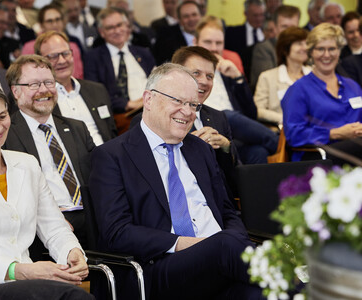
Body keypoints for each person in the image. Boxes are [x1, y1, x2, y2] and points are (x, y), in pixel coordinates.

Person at [89, 62, 263, 300]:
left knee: (258, 293)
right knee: (228, 247)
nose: (188, 111)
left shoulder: (200, 149)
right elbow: (116, 232)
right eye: (178, 101)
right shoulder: (112, 156)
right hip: (160, 266)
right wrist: (187, 244)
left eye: (193, 104)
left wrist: (233, 240)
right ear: (148, 99)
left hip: (223, 261)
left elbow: (227, 211)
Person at [0, 80, 93, 300]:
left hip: (29, 283)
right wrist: (20, 270)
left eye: (2, 117)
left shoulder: (27, 164)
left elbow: (54, 227)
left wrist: (72, 253)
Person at [4, 55, 95, 249]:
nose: (44, 90)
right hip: (42, 225)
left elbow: (99, 178)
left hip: (91, 216)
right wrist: (51, 221)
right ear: (16, 91)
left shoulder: (78, 128)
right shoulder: (5, 135)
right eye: (34, 85)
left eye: (48, 82)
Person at [194, 16, 279, 164]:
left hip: (233, 134)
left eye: (219, 43)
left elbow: (251, 113)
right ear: (195, 43)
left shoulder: (226, 70)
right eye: (208, 42)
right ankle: (284, 145)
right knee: (226, 115)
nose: (214, 48)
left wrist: (238, 78)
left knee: (259, 152)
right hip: (206, 127)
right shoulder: (187, 71)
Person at [282, 23, 362, 163]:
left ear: (339, 51)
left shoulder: (352, 86)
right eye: (320, 49)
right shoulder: (298, 90)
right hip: (319, 156)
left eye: (332, 49)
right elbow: (293, 134)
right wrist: (334, 134)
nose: (327, 55)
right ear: (311, 52)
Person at [171, 46, 241, 197]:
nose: (204, 81)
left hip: (221, 206)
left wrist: (226, 147)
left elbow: (236, 179)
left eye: (210, 76)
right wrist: (191, 144)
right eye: (196, 73)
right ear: (176, 74)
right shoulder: (159, 117)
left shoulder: (218, 117)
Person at [35, 30, 117, 145]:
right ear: (40, 62)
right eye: (53, 56)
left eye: (65, 53)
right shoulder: (38, 99)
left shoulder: (97, 90)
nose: (62, 61)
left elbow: (111, 133)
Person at [84, 7, 155, 134]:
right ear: (101, 32)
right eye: (110, 28)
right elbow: (94, 95)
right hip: (123, 116)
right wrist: (128, 104)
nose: (117, 31)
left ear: (127, 26)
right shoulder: (93, 58)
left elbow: (158, 82)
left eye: (119, 25)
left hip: (151, 108)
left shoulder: (144, 53)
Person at [254, 27, 311, 126]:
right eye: (299, 44)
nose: (305, 47)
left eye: (306, 43)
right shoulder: (267, 77)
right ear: (285, 49)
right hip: (281, 130)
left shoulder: (314, 74)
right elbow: (258, 110)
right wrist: (285, 118)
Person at [21, 3, 84, 79]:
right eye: (49, 21)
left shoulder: (73, 46)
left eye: (58, 19)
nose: (55, 24)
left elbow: (79, 76)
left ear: (63, 22)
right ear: (41, 25)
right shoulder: (30, 47)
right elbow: (27, 76)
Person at [250, 5, 300, 90]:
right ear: (275, 28)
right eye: (284, 26)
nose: (289, 31)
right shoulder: (263, 49)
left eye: (293, 27)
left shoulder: (304, 49)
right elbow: (269, 82)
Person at [224, 0, 266, 79]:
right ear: (246, 14)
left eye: (262, 15)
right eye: (255, 15)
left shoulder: (269, 32)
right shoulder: (232, 33)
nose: (259, 19)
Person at [153, 1, 202, 65]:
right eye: (186, 16)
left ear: (201, 16)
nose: (191, 19)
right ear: (180, 20)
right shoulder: (166, 38)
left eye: (194, 14)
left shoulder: (210, 34)